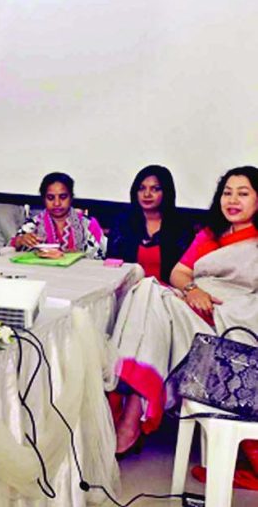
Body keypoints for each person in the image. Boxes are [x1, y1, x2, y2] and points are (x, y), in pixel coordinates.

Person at [110, 166, 258, 479]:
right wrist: (193, 290)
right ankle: (136, 408)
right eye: (227, 193)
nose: (232, 200)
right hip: (193, 313)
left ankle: (131, 414)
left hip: (226, 330)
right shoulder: (210, 234)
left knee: (149, 295)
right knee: (147, 289)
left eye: (242, 193)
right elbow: (179, 273)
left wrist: (221, 307)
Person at [107, 166, 193, 282]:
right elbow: (112, 265)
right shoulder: (123, 224)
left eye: (155, 189)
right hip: (128, 292)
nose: (147, 194)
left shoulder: (181, 226)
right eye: (141, 188)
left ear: (166, 192)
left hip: (169, 293)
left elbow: (187, 269)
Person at [12, 172, 106, 259]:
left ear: (71, 197)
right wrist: (19, 241)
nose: (57, 203)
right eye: (50, 198)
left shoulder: (89, 224)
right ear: (43, 199)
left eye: (63, 197)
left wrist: (72, 256)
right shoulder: (33, 225)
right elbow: (10, 253)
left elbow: (100, 259)